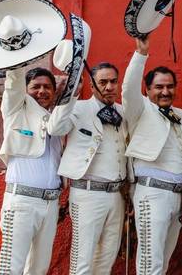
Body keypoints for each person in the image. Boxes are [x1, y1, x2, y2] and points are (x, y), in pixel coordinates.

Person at [122, 35, 182, 275]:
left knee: (164, 260)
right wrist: (141, 54)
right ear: (147, 90)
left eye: (169, 86)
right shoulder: (140, 109)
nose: (165, 91)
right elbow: (128, 89)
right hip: (151, 194)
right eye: (159, 87)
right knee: (150, 262)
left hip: (180, 196)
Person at [52, 61, 128, 275]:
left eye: (113, 81)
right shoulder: (77, 108)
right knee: (82, 260)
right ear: (92, 85)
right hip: (87, 193)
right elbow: (56, 128)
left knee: (107, 258)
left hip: (117, 195)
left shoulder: (123, 112)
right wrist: (70, 95)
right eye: (103, 82)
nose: (109, 87)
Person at [0, 65, 67, 275]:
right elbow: (12, 86)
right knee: (11, 268)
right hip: (20, 202)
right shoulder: (14, 112)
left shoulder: (56, 122)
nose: (42, 91)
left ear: (54, 92)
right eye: (35, 86)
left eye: (47, 87)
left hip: (50, 204)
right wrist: (16, 63)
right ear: (25, 89)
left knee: (38, 268)